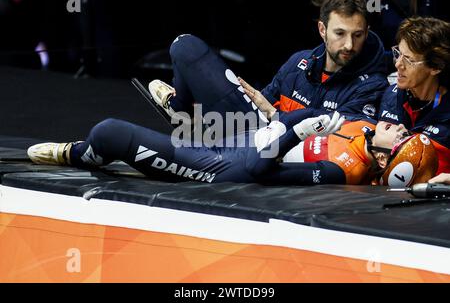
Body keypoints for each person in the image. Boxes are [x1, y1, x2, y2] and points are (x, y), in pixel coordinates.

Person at [149, 0, 389, 136]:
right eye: (340, 34)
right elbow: (260, 104)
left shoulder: (372, 86)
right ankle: (186, 113)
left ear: (366, 33)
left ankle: (188, 114)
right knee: (184, 45)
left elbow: (330, 139)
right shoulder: (299, 62)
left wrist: (275, 115)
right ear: (322, 30)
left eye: (357, 35)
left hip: (281, 154)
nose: (349, 44)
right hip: (252, 135)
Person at [26, 112, 437, 187]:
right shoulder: (363, 125)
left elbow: (260, 173)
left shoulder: (343, 170)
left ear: (385, 159)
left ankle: (82, 154)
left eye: (401, 137)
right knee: (185, 47)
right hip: (247, 134)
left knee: (110, 130)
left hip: (228, 166)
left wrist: (296, 132)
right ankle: (180, 111)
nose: (398, 126)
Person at [378, 16, 450, 175]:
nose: (398, 64)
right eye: (398, 53)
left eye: (409, 60)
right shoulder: (391, 95)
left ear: (435, 67)